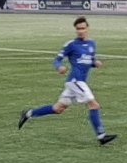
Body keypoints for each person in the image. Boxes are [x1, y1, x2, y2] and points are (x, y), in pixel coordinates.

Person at [16, 17, 116, 145]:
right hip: (75, 81)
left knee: (58, 108)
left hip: (76, 83)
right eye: (78, 29)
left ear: (87, 28)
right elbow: (56, 59)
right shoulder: (71, 45)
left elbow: (87, 61)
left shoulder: (92, 44)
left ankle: (28, 113)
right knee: (94, 105)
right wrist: (59, 67)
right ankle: (101, 136)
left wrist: (94, 63)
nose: (80, 31)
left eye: (83, 28)